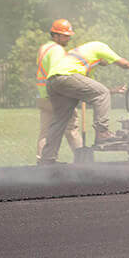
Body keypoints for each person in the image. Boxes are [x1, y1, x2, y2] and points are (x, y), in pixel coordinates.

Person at [38, 38, 129, 165]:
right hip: (66, 77)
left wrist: (112, 91)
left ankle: (47, 159)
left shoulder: (79, 59)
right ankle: (102, 133)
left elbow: (91, 91)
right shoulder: (100, 46)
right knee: (102, 93)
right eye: (107, 61)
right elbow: (125, 64)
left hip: (53, 82)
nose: (106, 63)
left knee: (60, 120)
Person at [35, 19, 82, 162]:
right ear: (55, 35)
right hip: (57, 98)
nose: (68, 38)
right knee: (71, 128)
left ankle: (42, 161)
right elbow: (59, 74)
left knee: (46, 131)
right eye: (65, 35)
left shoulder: (45, 48)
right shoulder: (57, 51)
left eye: (69, 35)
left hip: (43, 97)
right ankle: (83, 160)